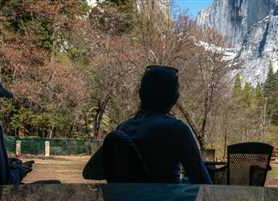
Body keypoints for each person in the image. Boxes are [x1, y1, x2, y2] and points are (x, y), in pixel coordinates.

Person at [84, 65, 212, 184]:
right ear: (174, 98)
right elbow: (203, 182)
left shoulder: (123, 129)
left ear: (140, 94)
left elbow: (90, 172)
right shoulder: (177, 130)